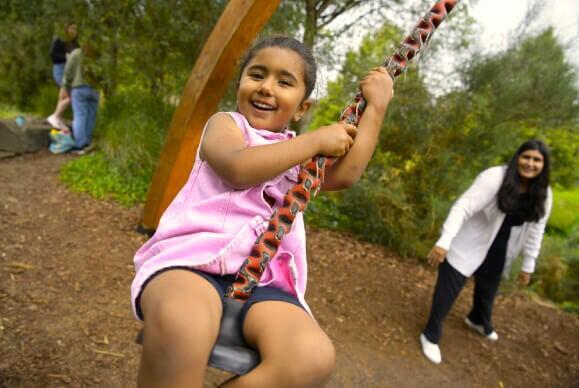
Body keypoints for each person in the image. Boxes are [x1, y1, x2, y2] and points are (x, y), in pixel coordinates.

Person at [131, 36, 394, 387]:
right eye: (257, 75)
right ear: (241, 84)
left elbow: (345, 174)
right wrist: (315, 141)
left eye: (284, 82)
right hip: (192, 262)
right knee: (182, 320)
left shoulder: (298, 154)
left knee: (311, 356)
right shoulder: (226, 126)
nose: (267, 88)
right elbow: (237, 168)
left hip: (265, 280)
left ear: (302, 108)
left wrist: (375, 108)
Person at [419, 140, 553, 364]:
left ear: (544, 165)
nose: (530, 163)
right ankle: (430, 335)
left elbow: (536, 231)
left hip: (500, 247)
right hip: (468, 241)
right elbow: (463, 206)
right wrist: (445, 240)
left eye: (537, 160)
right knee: (448, 289)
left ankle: (478, 320)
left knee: (488, 290)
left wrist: (528, 264)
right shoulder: (495, 177)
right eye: (526, 157)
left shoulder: (543, 193)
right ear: (517, 157)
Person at [62, 43, 100, 153]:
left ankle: (80, 144)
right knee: (91, 116)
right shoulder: (98, 54)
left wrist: (66, 87)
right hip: (94, 89)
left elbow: (68, 72)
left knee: (79, 116)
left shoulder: (76, 53)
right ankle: (87, 141)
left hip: (79, 88)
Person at [47, 22, 79, 132]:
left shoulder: (76, 43)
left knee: (64, 96)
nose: (74, 31)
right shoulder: (59, 40)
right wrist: (67, 57)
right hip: (60, 68)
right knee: (70, 95)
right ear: (66, 29)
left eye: (75, 29)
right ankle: (55, 116)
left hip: (71, 70)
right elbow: (52, 55)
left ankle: (57, 117)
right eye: (72, 28)